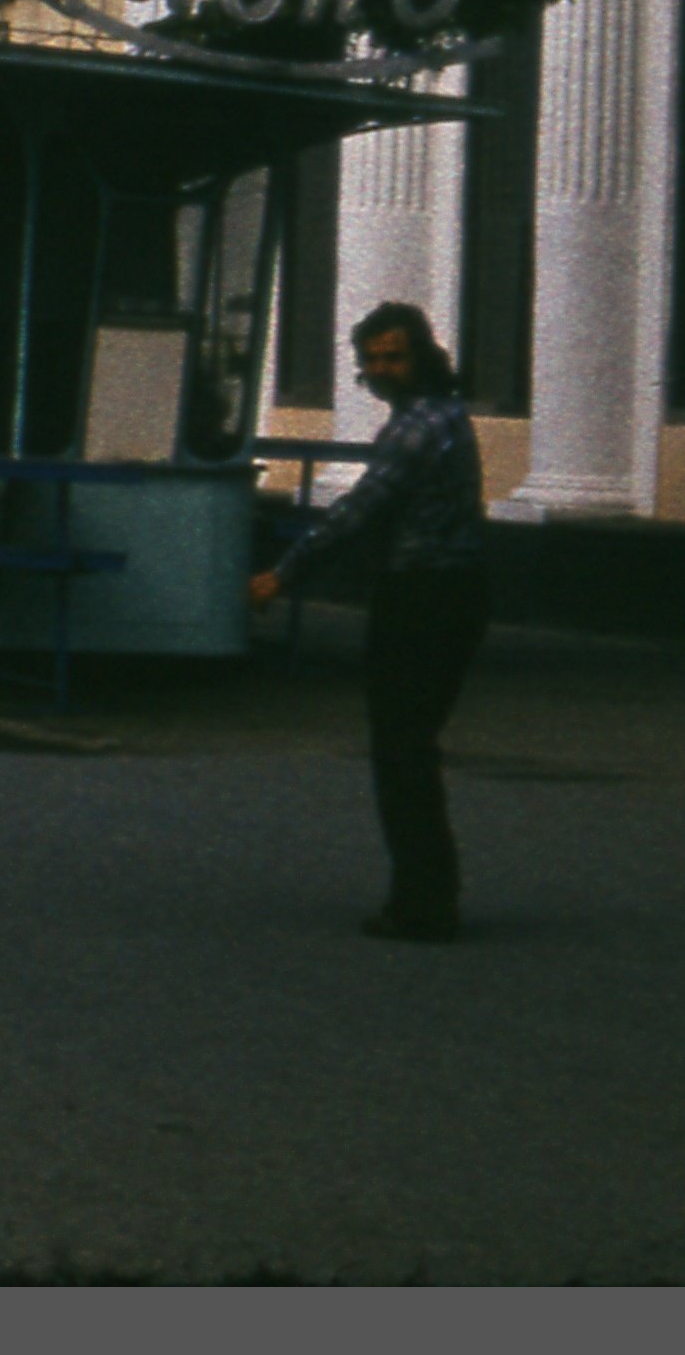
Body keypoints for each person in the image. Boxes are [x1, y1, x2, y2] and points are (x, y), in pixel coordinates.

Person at [249, 300, 491, 942]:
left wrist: (284, 573)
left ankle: (425, 904)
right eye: (373, 360)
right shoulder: (445, 416)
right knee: (412, 743)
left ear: (423, 358)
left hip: (424, 596)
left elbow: (361, 510)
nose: (383, 369)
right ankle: (428, 893)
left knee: (401, 747)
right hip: (455, 590)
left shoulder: (414, 431)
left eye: (394, 356)